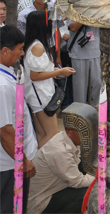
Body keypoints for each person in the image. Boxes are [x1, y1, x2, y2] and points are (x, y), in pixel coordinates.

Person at [23, 11, 75, 149]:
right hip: (41, 96)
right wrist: (60, 71)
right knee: (52, 134)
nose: (52, 24)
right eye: (49, 22)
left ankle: (38, 167)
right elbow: (34, 75)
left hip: (37, 96)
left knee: (42, 134)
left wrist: (53, 72)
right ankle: (39, 165)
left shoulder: (34, 44)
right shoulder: (38, 47)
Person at [0, 26, 38, 214]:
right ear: (5, 51)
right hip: (9, 165)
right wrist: (21, 160)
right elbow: (5, 130)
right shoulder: (2, 86)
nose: (22, 53)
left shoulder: (6, 75)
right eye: (20, 49)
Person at [27, 127, 94, 214]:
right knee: (90, 192)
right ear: (69, 131)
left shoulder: (65, 137)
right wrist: (100, 178)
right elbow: (77, 182)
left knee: (83, 166)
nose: (88, 136)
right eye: (83, 132)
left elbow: (84, 161)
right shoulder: (60, 151)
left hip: (51, 189)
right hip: (40, 202)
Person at [66, 18, 101, 105]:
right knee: (80, 88)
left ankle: (99, 112)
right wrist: (87, 14)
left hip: (96, 52)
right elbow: (73, 27)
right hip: (78, 54)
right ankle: (80, 114)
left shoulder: (98, 7)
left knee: (98, 83)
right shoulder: (74, 8)